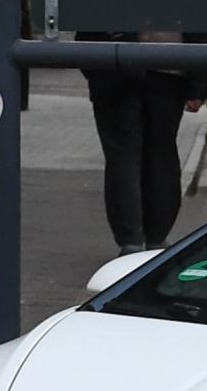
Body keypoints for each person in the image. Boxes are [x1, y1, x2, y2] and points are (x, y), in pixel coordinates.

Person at [79, 30, 191, 255]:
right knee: (162, 155)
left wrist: (93, 66)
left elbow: (87, 19)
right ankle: (155, 237)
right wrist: (197, 82)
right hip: (169, 68)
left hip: (115, 65)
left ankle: (132, 239)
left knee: (123, 157)